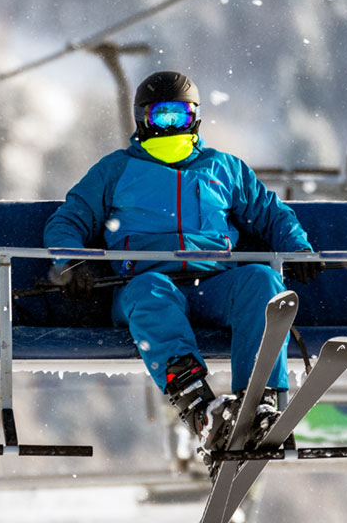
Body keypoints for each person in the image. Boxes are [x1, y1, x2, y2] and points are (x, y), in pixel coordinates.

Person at [43, 71, 323, 454]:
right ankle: (199, 407)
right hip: (145, 285)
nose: (173, 126)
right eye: (163, 116)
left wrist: (297, 248)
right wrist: (73, 262)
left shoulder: (222, 168)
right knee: (151, 291)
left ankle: (259, 403)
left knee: (260, 281)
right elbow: (68, 219)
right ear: (143, 118)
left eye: (182, 115)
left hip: (212, 286)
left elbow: (270, 213)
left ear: (196, 118)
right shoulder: (117, 169)